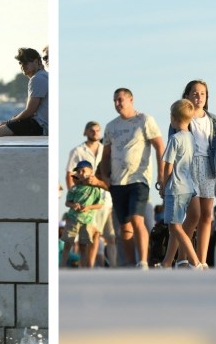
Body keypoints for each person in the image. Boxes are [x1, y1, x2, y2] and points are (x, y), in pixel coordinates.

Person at [163, 81, 216, 267]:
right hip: (188, 168)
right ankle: (183, 257)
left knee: (206, 216)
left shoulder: (213, 121)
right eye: (195, 93)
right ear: (187, 95)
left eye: (203, 93)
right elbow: (173, 150)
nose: (199, 97)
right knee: (193, 215)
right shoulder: (181, 118)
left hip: (208, 167)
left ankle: (201, 260)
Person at [96, 88, 164, 268]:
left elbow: (159, 147)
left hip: (139, 179)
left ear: (131, 99)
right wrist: (104, 175)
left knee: (137, 219)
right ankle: (130, 263)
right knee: (124, 227)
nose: (117, 104)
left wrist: (162, 174)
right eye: (115, 101)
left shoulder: (144, 120)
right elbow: (106, 154)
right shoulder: (111, 126)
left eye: (120, 100)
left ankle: (143, 261)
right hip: (118, 182)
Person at [159, 99, 205, 269]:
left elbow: (168, 165)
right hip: (189, 186)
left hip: (176, 187)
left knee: (176, 227)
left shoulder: (174, 139)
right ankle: (167, 262)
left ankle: (195, 261)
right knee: (175, 227)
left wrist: (163, 184)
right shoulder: (191, 138)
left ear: (173, 118)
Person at [0, 48, 48, 137]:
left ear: (36, 62)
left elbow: (30, 111)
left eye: (26, 62)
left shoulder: (37, 79)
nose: (22, 66)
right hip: (43, 124)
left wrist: (10, 121)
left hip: (41, 126)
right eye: (20, 63)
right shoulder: (45, 76)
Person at [61, 161, 105, 268]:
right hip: (73, 219)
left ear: (91, 172)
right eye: (79, 171)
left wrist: (88, 207)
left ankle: (84, 269)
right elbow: (67, 203)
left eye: (83, 170)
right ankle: (61, 267)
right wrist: (73, 205)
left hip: (87, 221)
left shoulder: (95, 189)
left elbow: (99, 205)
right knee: (67, 245)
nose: (81, 173)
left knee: (83, 246)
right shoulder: (74, 188)